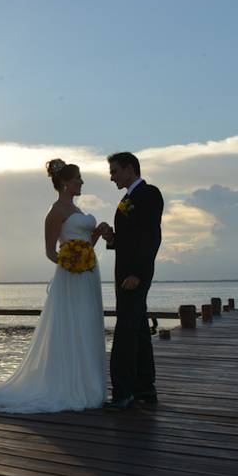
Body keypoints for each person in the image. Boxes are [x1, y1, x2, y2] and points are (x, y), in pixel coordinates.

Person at [0, 159, 107, 413]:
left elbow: (87, 244)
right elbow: (50, 252)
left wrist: (96, 235)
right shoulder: (55, 213)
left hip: (88, 274)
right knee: (73, 325)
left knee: (88, 323)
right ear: (65, 182)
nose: (81, 182)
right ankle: (69, 385)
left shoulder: (76, 211)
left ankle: (90, 384)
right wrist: (70, 264)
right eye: (78, 178)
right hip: (71, 277)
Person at [97, 152, 164, 410]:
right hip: (125, 273)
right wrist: (111, 238)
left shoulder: (149, 194)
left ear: (129, 168)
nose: (111, 177)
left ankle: (123, 393)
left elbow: (150, 236)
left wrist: (137, 273)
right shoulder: (126, 199)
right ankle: (145, 388)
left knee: (125, 331)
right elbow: (130, 238)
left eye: (114, 171)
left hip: (135, 274)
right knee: (138, 331)